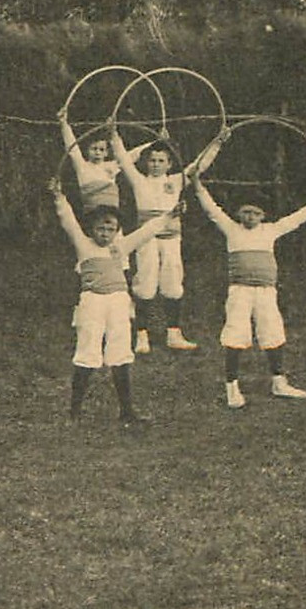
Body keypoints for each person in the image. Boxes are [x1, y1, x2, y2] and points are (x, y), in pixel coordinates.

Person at [191, 159, 306, 408]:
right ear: (238, 213)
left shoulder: (270, 230)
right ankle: (232, 387)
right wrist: (197, 186)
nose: (251, 217)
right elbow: (211, 208)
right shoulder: (231, 229)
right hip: (240, 291)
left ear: (264, 215)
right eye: (246, 212)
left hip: (266, 291)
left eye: (256, 213)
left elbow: (297, 219)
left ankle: (279, 381)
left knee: (272, 332)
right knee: (236, 334)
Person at [49, 177, 179, 424]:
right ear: (91, 229)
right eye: (101, 229)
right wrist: (58, 195)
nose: (105, 234)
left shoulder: (121, 247)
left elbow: (147, 231)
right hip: (92, 302)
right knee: (87, 351)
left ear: (117, 231)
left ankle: (127, 411)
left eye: (111, 229)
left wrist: (170, 215)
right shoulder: (84, 245)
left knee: (120, 352)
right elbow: (67, 219)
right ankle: (74, 413)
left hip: (118, 302)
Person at [111, 130, 202, 353]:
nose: (155, 164)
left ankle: (174, 333)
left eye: (161, 161)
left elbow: (200, 164)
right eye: (152, 160)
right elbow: (123, 159)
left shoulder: (176, 180)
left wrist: (218, 142)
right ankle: (142, 335)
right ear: (146, 162)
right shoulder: (139, 180)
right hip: (147, 239)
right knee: (145, 283)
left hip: (171, 239)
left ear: (170, 164)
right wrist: (114, 135)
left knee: (172, 282)